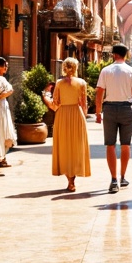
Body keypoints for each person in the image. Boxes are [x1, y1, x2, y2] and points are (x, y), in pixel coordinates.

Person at [94, 43, 132, 194]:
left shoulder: (106, 70)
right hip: (126, 109)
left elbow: (99, 92)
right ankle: (123, 177)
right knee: (126, 144)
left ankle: (113, 179)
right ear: (126, 54)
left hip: (109, 109)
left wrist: (97, 112)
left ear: (114, 54)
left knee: (110, 144)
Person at [47, 57, 90, 192]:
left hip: (62, 115)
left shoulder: (59, 83)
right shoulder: (82, 82)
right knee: (76, 146)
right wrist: (83, 117)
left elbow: (55, 104)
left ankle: (69, 181)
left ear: (64, 67)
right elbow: (84, 104)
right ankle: (73, 180)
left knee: (64, 146)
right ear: (76, 67)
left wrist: (45, 97)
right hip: (77, 115)